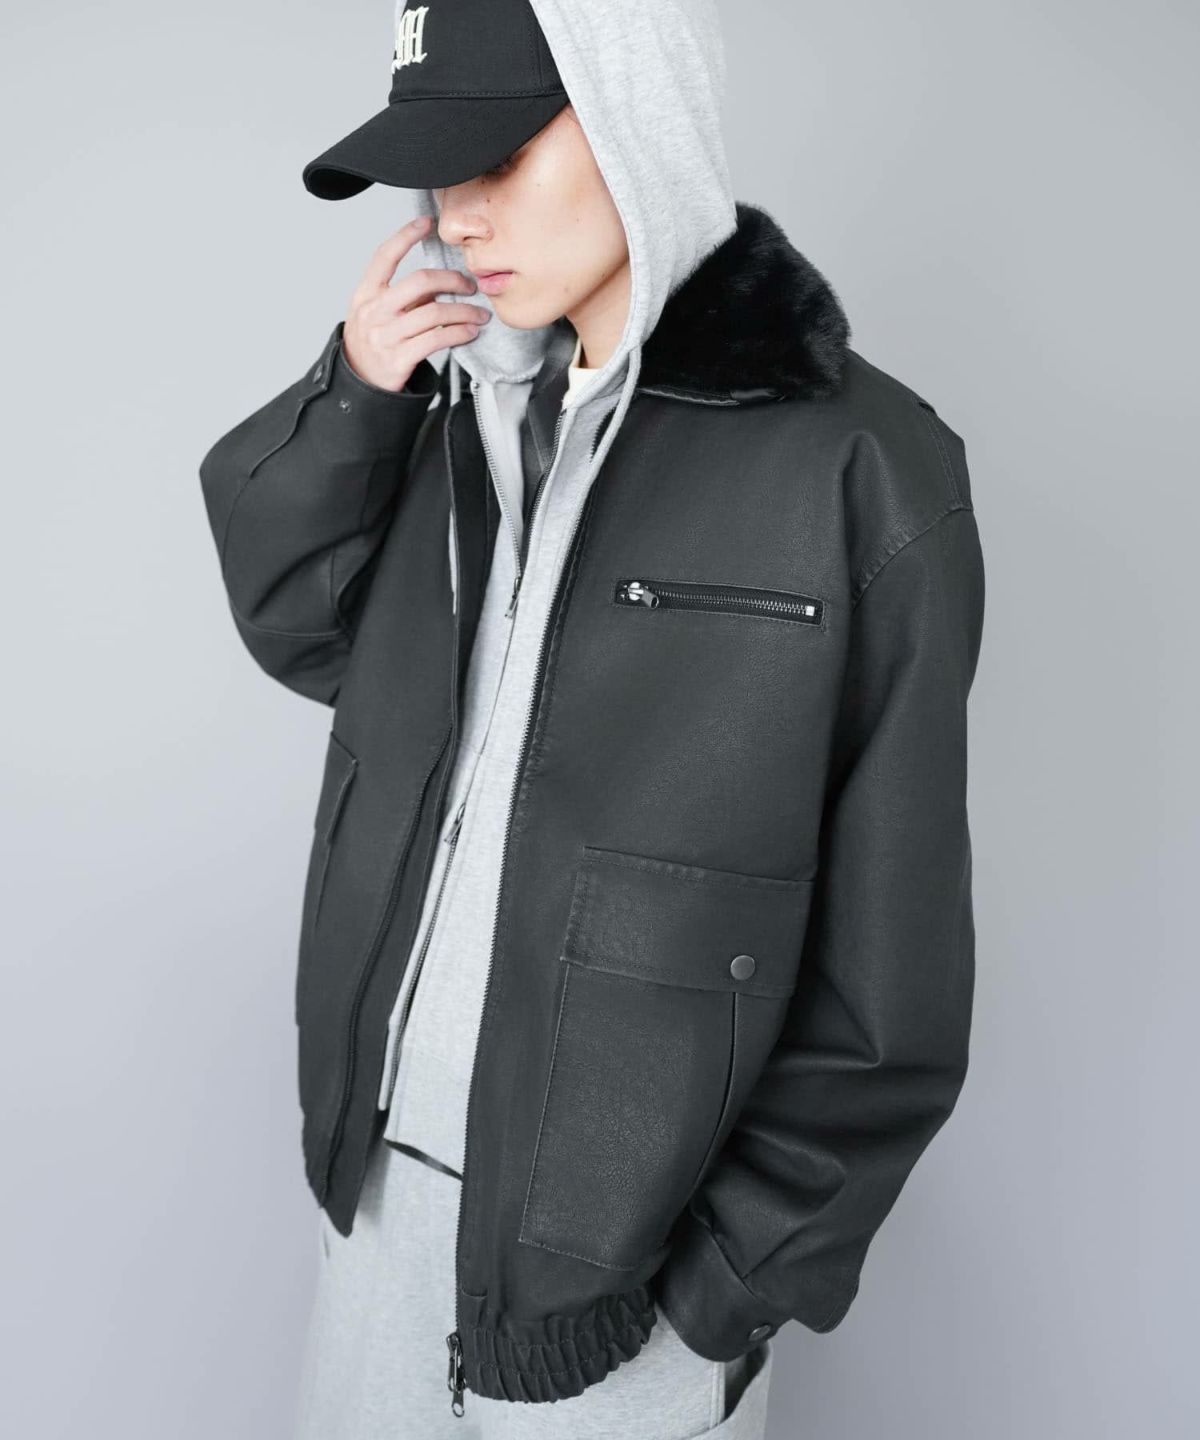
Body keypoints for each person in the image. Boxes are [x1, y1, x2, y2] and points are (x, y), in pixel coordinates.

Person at [197, 1, 986, 1435]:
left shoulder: (863, 471)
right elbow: (299, 623)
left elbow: (897, 972)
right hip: (380, 1197)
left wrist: (720, 1294)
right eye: (438, 171)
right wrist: (356, 396)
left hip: (626, 1284)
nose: (459, 215)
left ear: (640, 118)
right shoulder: (456, 418)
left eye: (501, 155)